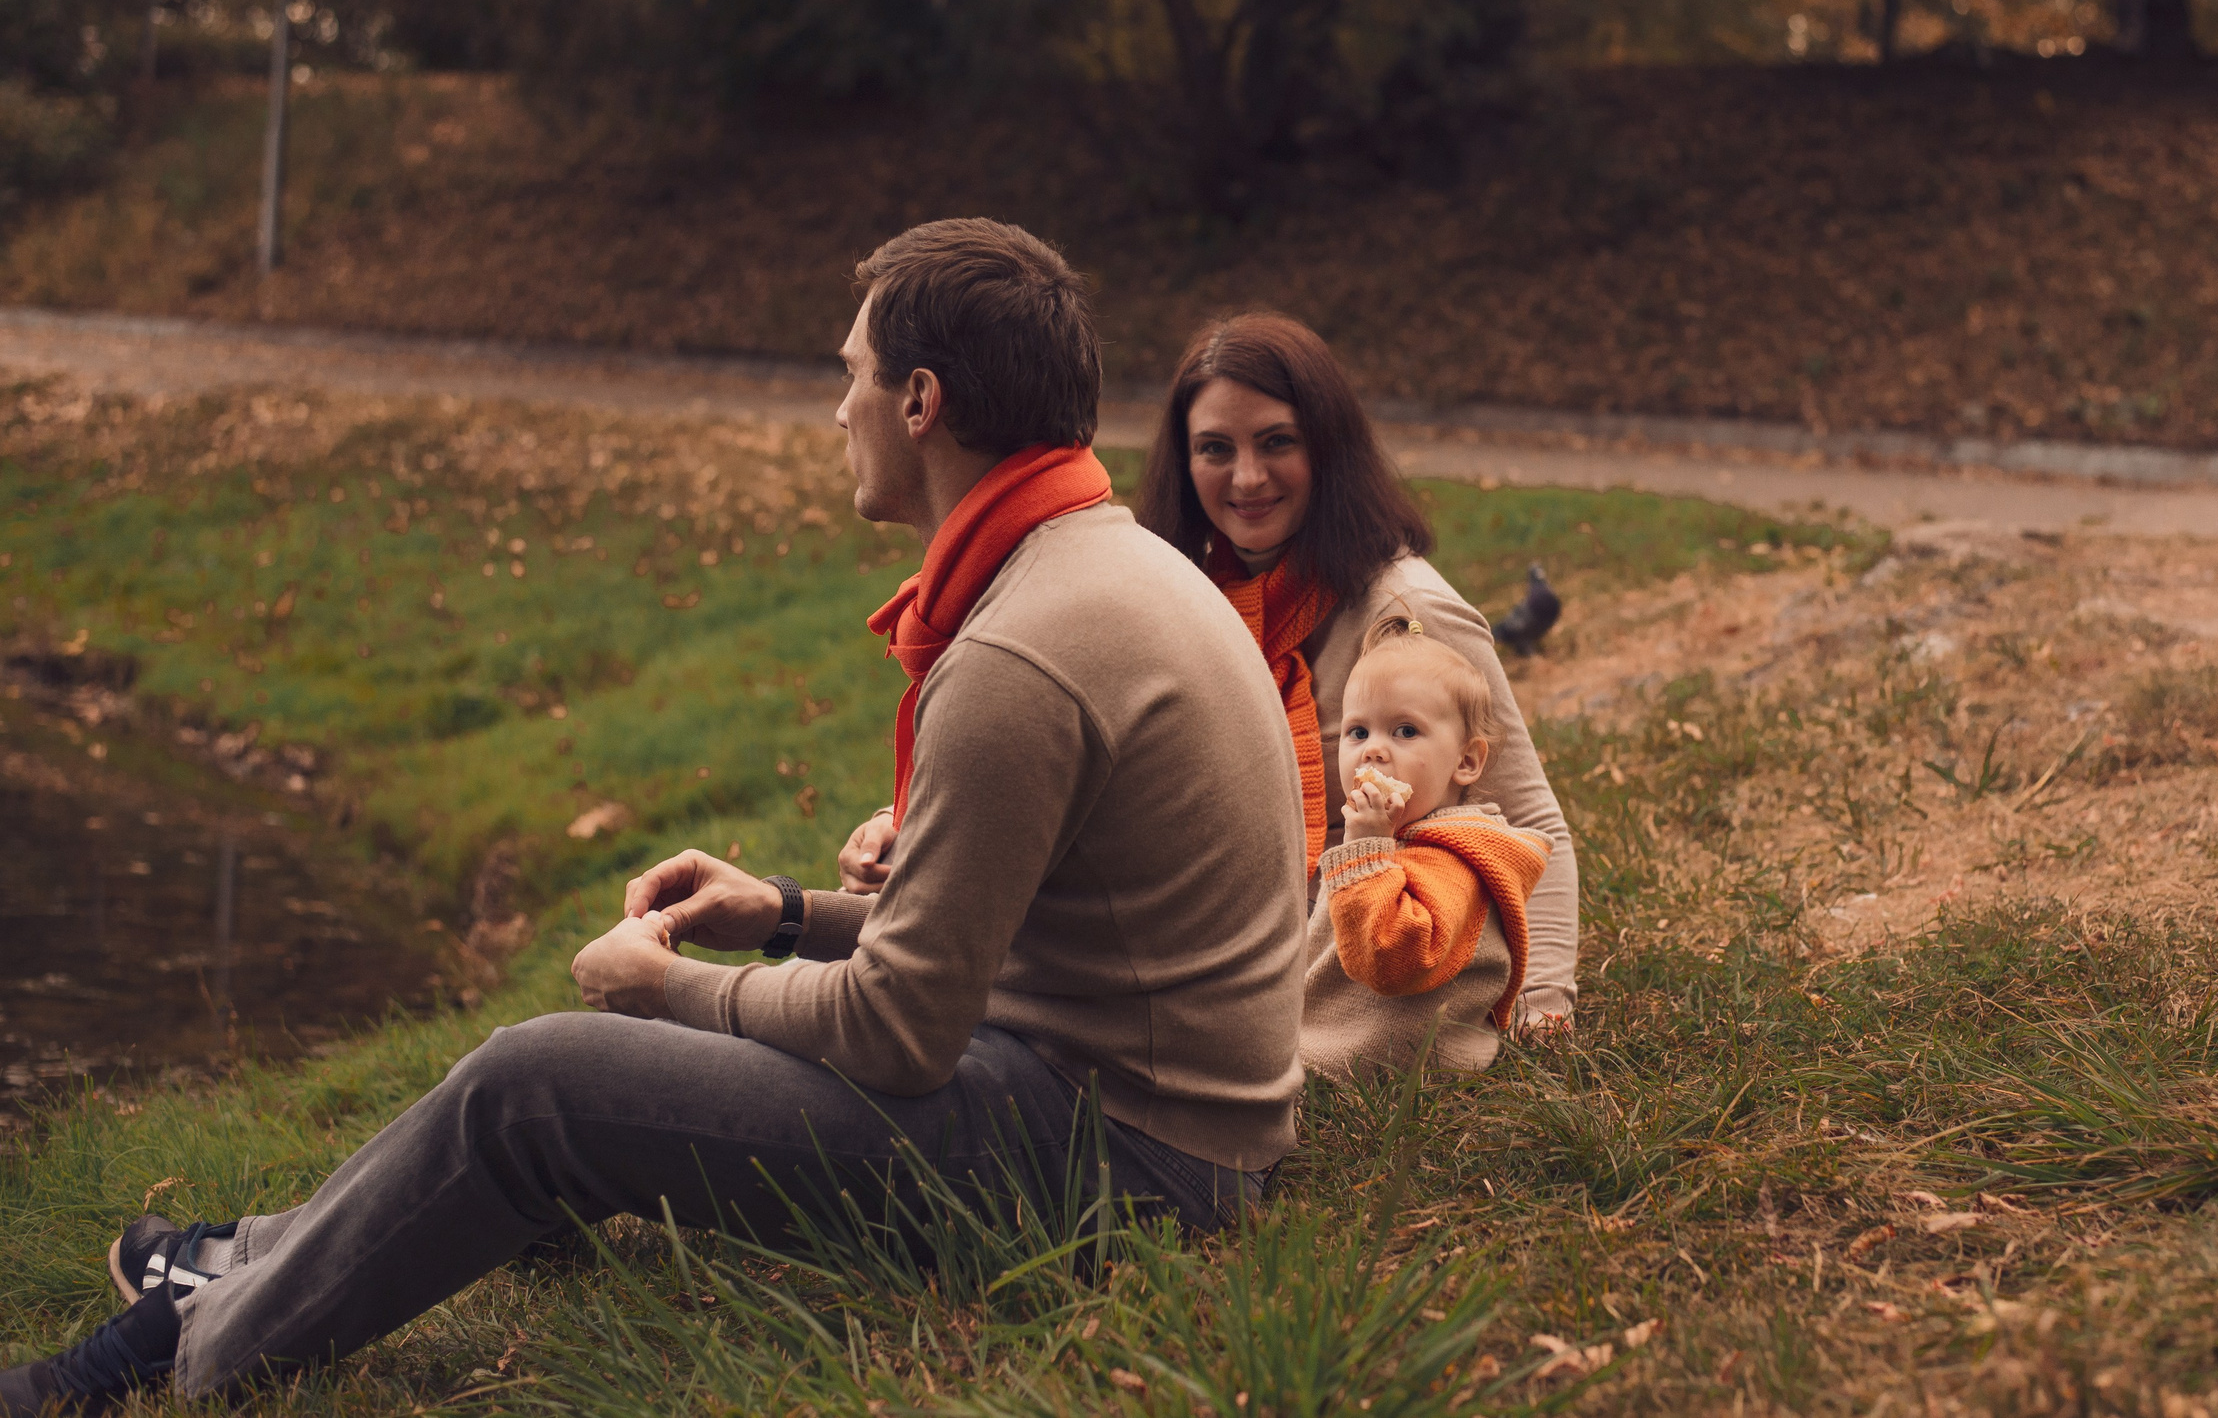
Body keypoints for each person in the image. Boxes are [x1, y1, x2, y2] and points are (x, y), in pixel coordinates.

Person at [2, 220, 1308, 1415]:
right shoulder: (1101, 561)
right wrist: (788, 917)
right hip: (1141, 1114)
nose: (836, 405)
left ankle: (191, 1355)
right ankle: (242, 1262)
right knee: (558, 1075)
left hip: (1124, 1171)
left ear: (922, 401)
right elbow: (1037, 923)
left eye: (851, 374)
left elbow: (904, 1031)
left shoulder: (1022, 650)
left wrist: (670, 989)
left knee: (536, 1081)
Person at [1131, 312, 1580, 1059]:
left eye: (1277, 441)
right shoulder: (1192, 598)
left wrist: (1543, 1006)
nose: (1246, 477)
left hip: (1369, 984)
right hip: (1233, 950)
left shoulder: (1409, 610)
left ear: (1327, 448)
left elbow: (1536, 819)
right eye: (1216, 448)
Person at [1309, 616, 1551, 1076]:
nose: (1372, 751)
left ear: (1466, 760)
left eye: (1404, 731)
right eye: (1357, 732)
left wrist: (1366, 856)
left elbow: (1392, 961)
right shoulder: (1390, 840)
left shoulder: (1451, 861)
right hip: (1361, 1044)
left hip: (1380, 1065)